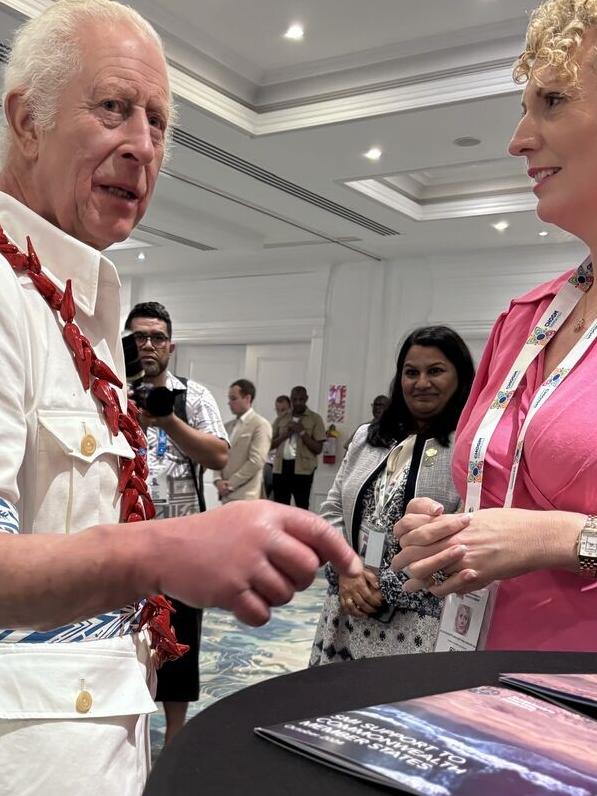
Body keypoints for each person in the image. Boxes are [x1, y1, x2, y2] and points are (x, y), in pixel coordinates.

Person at [0, 2, 361, 792]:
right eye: (112, 108)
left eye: (159, 124)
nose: (141, 145)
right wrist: (165, 550)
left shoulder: (71, 302)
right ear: (27, 121)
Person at [392, 0, 597, 653]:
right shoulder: (526, 319)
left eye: (553, 101)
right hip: (480, 677)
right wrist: (450, 529)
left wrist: (560, 539)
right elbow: (498, 500)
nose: (518, 140)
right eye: (522, 108)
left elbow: (537, 533)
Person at [310, 327, 474, 665]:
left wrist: (390, 586)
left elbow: (467, 534)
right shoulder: (367, 438)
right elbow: (332, 509)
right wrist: (347, 571)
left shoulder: (468, 447)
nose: (421, 382)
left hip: (418, 623)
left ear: (461, 377)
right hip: (347, 606)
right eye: (411, 372)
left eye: (436, 371)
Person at [125, 300, 228, 745]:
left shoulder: (194, 396)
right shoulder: (107, 388)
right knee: (124, 631)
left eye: (157, 337)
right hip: (122, 536)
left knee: (182, 634)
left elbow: (219, 454)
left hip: (182, 539)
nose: (148, 345)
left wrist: (168, 420)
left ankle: (175, 731)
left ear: (171, 345)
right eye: (139, 337)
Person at [214, 379, 272, 502]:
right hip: (225, 495)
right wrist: (218, 480)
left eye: (233, 399)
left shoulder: (260, 425)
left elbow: (256, 461)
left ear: (247, 398)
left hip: (246, 495)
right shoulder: (227, 427)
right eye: (229, 399)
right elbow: (218, 455)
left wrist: (230, 484)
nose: (229, 403)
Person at [271, 386, 326, 510]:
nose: (298, 402)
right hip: (280, 468)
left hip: (303, 469)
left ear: (306, 399)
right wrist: (284, 436)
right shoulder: (282, 418)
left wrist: (302, 432)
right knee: (279, 507)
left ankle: (302, 530)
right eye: (295, 399)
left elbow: (318, 449)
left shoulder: (315, 419)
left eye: (301, 399)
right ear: (291, 400)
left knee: (301, 507)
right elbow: (268, 445)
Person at [263, 394, 290, 498]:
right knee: (269, 498)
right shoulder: (274, 425)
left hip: (288, 468)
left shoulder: (297, 424)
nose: (280, 413)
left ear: (290, 408)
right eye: (278, 410)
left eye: (283, 410)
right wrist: (283, 436)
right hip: (271, 466)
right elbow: (268, 446)